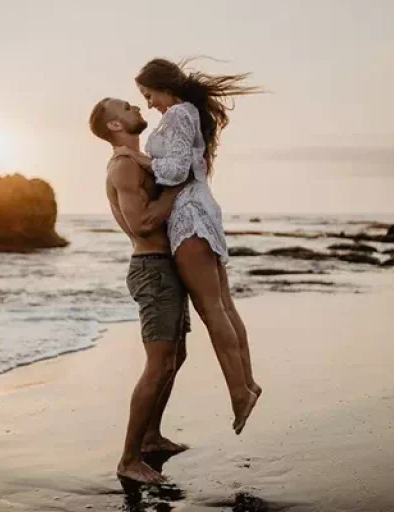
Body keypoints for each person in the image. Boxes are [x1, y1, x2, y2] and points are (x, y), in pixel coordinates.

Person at [113, 58, 262, 435]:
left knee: (213, 309)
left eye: (148, 95)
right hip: (201, 209)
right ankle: (246, 384)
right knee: (224, 304)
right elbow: (188, 163)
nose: (148, 104)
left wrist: (137, 157)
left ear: (163, 86)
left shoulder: (179, 113)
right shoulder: (187, 113)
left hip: (188, 216)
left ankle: (240, 392)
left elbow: (176, 171)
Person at [89, 97, 190, 484]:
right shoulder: (125, 166)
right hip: (153, 269)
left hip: (167, 268)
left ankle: (151, 437)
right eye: (127, 107)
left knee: (175, 357)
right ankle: (128, 460)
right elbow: (143, 224)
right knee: (158, 363)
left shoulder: (140, 161)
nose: (136, 107)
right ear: (115, 126)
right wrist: (176, 188)